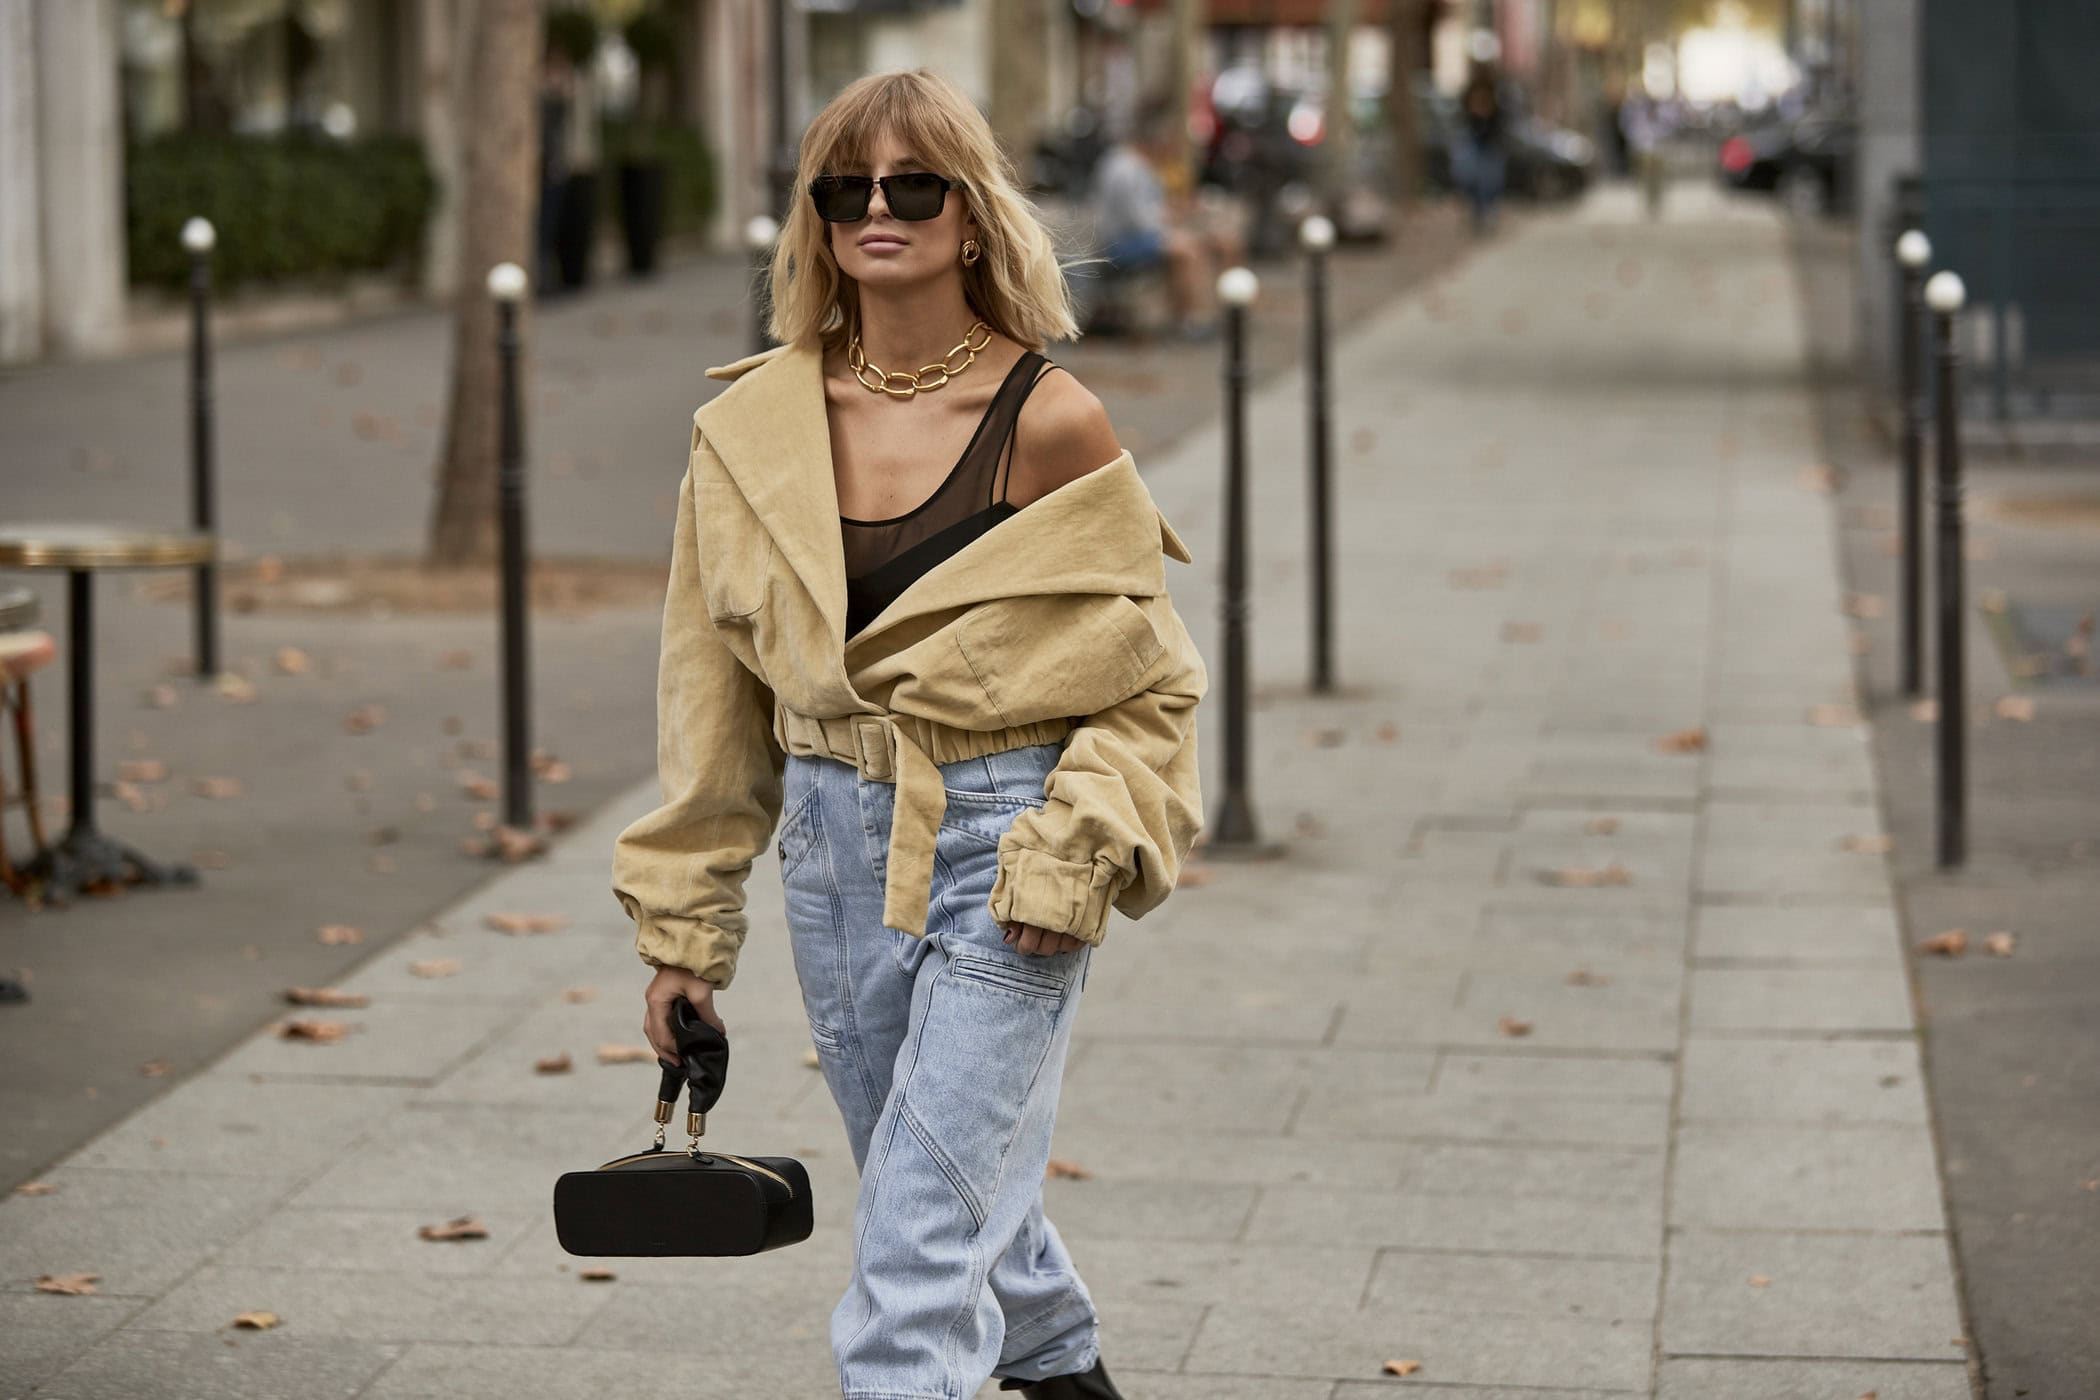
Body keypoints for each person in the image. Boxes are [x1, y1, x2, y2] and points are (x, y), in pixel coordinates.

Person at [611, 68, 1208, 1400]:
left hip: (1005, 841)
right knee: (934, 1187)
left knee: (914, 1259)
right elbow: (710, 708)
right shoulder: (748, 431)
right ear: (818, 222)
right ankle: (1063, 1374)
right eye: (846, 189)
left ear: (973, 212)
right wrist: (683, 936)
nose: (879, 209)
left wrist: (1078, 850)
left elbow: (1150, 682)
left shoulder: (1045, 420)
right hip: (828, 854)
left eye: (914, 184)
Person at [1089, 105, 1218, 337]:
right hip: (1118, 244)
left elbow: (1149, 210)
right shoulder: (1124, 168)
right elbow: (1137, 221)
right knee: (1185, 250)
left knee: (1193, 244)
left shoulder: (1140, 166)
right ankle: (1188, 320)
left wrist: (1174, 213)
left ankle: (1192, 314)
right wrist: (1170, 223)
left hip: (1134, 237)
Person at [1455, 66, 1508, 235]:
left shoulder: (1496, 93)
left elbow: (1502, 118)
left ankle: (1487, 212)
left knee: (1490, 180)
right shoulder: (1469, 93)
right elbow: (1462, 112)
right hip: (1475, 140)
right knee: (1471, 176)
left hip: (1491, 143)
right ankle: (1477, 214)